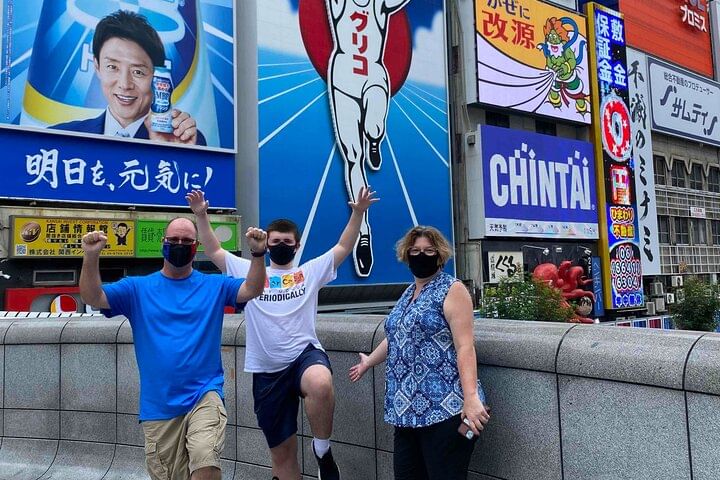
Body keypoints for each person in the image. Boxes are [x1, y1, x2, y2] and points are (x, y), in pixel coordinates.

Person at [187, 186, 378, 480]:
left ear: (297, 245)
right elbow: (214, 251)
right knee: (283, 458)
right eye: (274, 241)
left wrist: (358, 213)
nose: (280, 245)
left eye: (286, 242)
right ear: (266, 243)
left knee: (320, 382)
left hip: (304, 356)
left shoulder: (309, 272)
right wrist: (201, 215)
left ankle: (323, 450)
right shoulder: (249, 270)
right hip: (266, 370)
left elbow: (343, 246)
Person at [79, 217, 267, 480]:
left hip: (204, 393)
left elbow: (252, 289)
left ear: (196, 246)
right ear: (163, 243)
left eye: (186, 241)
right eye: (174, 240)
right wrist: (90, 257)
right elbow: (93, 297)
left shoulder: (214, 285)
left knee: (206, 461)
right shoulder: (136, 288)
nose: (179, 244)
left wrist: (258, 254)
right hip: (159, 407)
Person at [348, 226, 489, 480]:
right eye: (414, 251)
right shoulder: (409, 293)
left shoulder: (453, 289)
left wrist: (470, 398)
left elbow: (465, 346)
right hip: (406, 413)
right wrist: (369, 361)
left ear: (440, 255)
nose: (421, 255)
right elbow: (397, 335)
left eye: (428, 251)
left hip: (447, 410)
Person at [326, 0, 409, 278]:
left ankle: (375, 139)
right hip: (342, 78)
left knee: (374, 125)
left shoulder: (379, 3)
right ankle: (363, 233)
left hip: (373, 74)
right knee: (353, 157)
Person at [51, 10, 206, 146]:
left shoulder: (183, 139)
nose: (125, 84)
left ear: (157, 77)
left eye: (138, 72)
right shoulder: (59, 140)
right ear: (97, 67)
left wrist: (169, 152)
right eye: (113, 67)